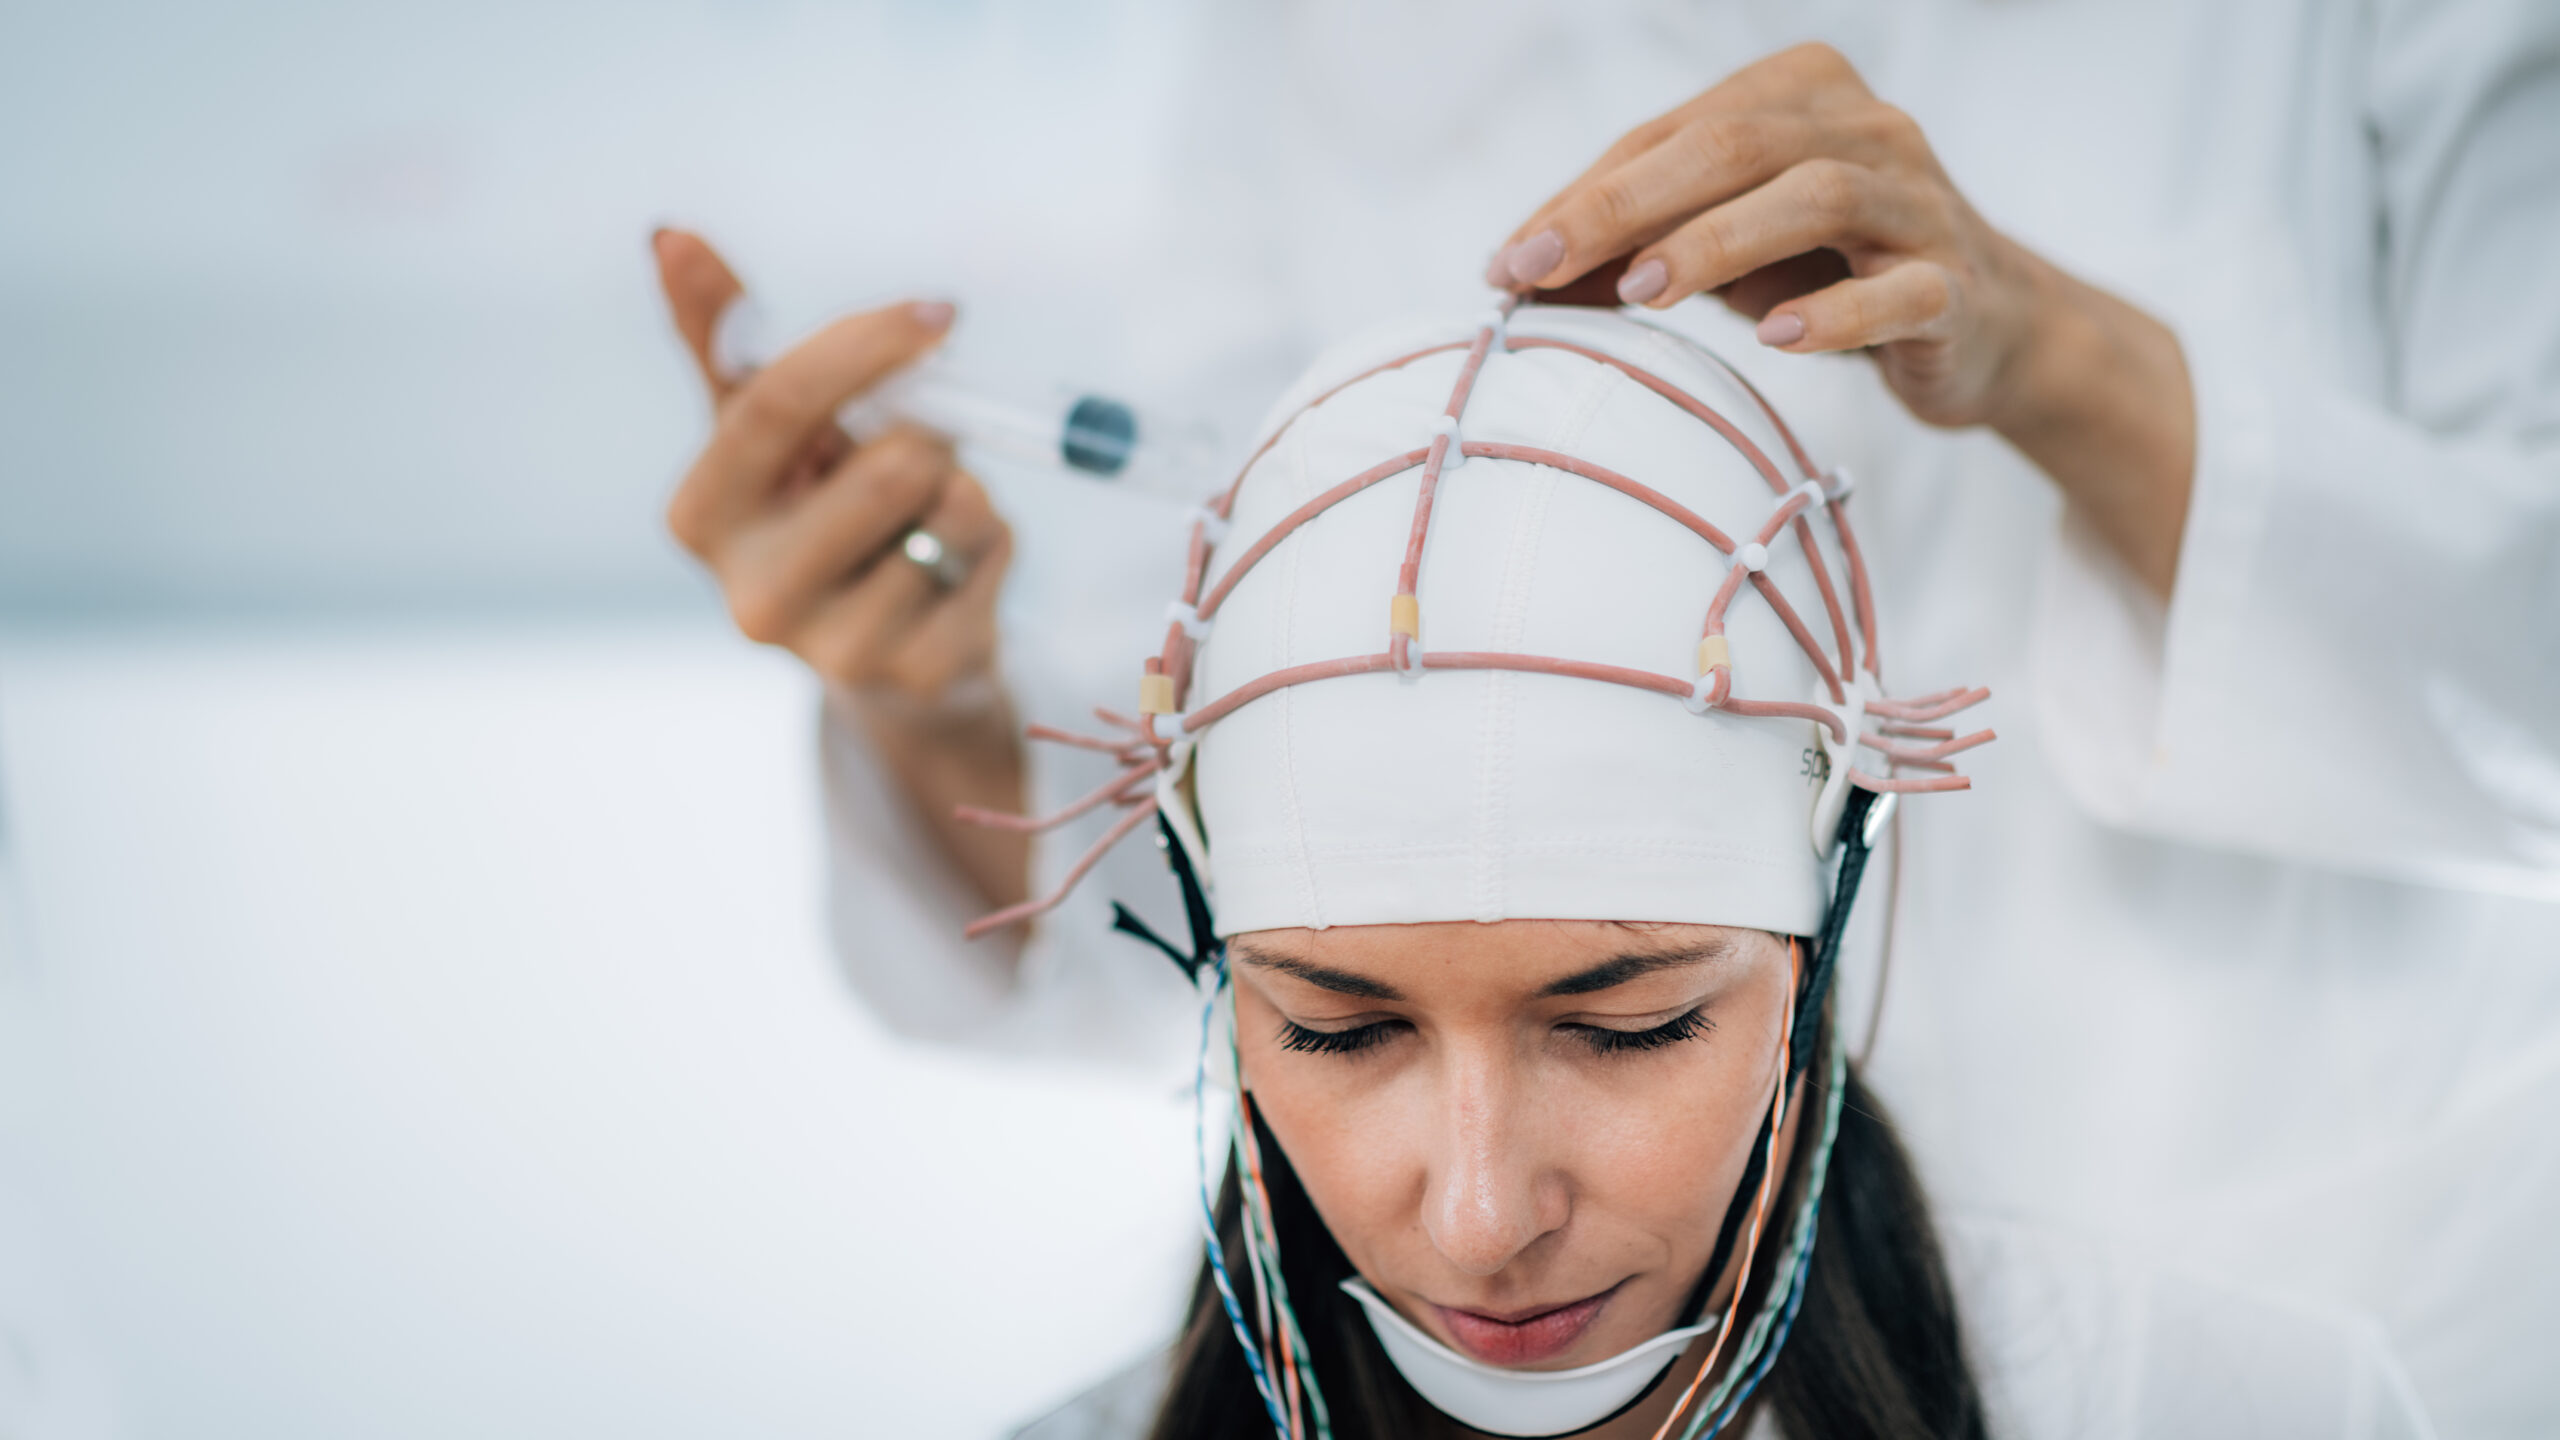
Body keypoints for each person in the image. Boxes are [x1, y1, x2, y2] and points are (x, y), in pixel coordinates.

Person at [654, 11, 2560, 1434]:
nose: (1482, 1226)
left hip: (2275, 1220)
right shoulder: (1312, 57)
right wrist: (940, 707)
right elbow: (1258, 826)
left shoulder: (2255, 1385)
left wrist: (2069, 362)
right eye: (1338, 1027)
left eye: (1632, 1015)